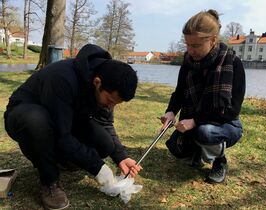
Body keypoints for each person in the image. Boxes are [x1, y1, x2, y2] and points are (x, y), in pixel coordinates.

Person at [4, 44, 142, 210]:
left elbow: (105, 123)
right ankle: (50, 182)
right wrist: (96, 166)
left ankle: (61, 161)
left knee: (105, 144)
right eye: (110, 101)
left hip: (63, 118)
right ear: (97, 83)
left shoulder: (107, 78)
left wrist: (120, 156)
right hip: (24, 115)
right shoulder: (62, 78)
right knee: (36, 120)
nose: (110, 107)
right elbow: (63, 135)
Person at [160, 9, 245, 184]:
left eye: (196, 45)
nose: (190, 50)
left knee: (204, 132)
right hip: (196, 120)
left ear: (213, 40)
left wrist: (195, 121)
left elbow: (231, 110)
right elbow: (179, 92)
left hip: (226, 124)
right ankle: (199, 150)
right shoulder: (188, 62)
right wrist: (170, 112)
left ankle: (219, 162)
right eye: (187, 45)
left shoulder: (232, 63)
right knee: (176, 148)